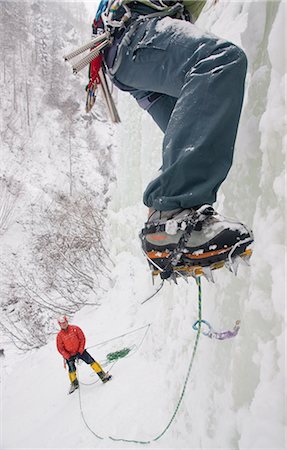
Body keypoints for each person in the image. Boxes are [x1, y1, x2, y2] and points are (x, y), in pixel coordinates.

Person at [90, 0, 253, 279]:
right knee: (219, 61)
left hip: (130, 56)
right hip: (136, 35)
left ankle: (168, 229)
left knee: (200, 129)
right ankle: (172, 215)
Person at [56, 316, 112, 394]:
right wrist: (68, 356)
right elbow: (60, 348)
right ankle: (74, 384)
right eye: (62, 324)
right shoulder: (59, 336)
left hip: (80, 351)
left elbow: (82, 339)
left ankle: (103, 376)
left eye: (64, 323)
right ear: (59, 325)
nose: (64, 325)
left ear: (67, 322)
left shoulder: (75, 329)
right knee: (72, 369)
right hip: (69, 355)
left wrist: (80, 350)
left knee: (92, 362)